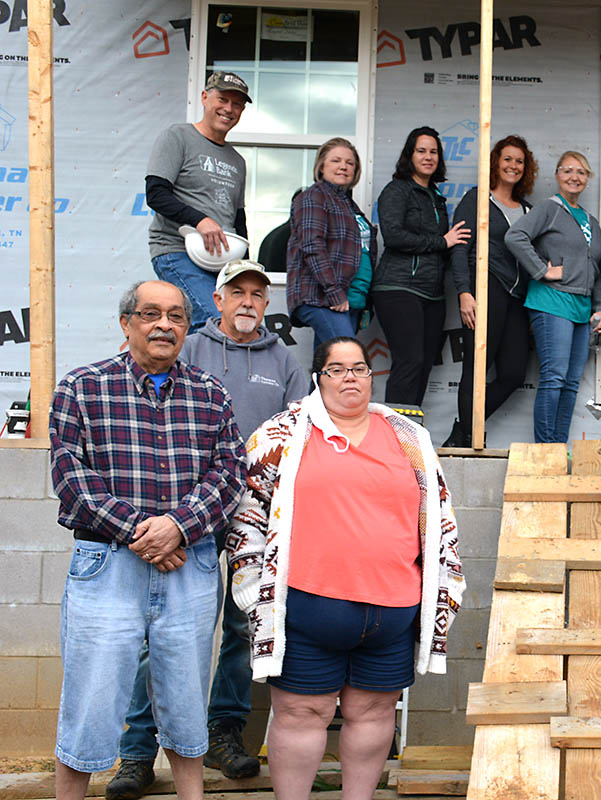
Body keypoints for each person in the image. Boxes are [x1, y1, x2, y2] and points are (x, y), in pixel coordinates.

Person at [227, 337, 465, 800]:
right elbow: (247, 515)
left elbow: (439, 514)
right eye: (337, 369)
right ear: (318, 378)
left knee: (375, 715)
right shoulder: (281, 434)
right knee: (301, 714)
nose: (350, 377)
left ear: (371, 377)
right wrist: (252, 594)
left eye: (359, 368)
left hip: (393, 613)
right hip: (309, 611)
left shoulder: (408, 436)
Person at [106, 262, 307, 800]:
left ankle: (223, 731)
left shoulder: (284, 360)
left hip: (253, 510)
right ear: (216, 301)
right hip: (185, 510)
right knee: (157, 629)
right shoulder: (188, 345)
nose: (247, 301)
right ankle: (138, 750)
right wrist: (174, 516)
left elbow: (295, 435)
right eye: (236, 292)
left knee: (243, 624)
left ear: (267, 304)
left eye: (257, 294)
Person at [49, 281, 246, 800]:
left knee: (185, 703)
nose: (165, 325)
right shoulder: (82, 387)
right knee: (90, 702)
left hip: (190, 566)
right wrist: (144, 532)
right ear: (126, 323)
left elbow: (229, 473)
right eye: (151, 313)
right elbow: (71, 476)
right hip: (108, 565)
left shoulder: (210, 393)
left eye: (177, 316)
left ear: (187, 327)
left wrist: (178, 526)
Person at [505, 151, 601, 443]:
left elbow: (596, 269)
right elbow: (515, 237)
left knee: (571, 383)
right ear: (557, 176)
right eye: (568, 171)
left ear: (587, 179)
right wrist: (541, 270)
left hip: (582, 308)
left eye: (581, 172)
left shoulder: (590, 220)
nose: (574, 177)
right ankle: (544, 450)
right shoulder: (548, 208)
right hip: (552, 302)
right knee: (554, 378)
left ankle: (558, 447)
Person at [442, 135, 538, 448]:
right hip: (486, 289)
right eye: (508, 159)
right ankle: (467, 437)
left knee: (513, 373)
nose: (513, 165)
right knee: (475, 367)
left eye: (519, 161)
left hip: (518, 298)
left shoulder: (528, 209)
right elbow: (459, 248)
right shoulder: (478, 198)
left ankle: (462, 429)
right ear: (496, 162)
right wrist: (464, 292)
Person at [146, 71, 251, 332]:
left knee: (238, 326)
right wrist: (200, 220)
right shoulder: (177, 137)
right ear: (205, 98)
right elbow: (156, 194)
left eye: (237, 104)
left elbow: (238, 219)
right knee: (212, 322)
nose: (229, 109)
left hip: (223, 261)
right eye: (223, 99)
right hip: (177, 250)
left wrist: (246, 268)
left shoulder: (237, 161)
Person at [374, 127, 471, 406]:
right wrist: (443, 241)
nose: (428, 157)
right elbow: (393, 236)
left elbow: (445, 247)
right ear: (410, 155)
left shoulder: (436, 197)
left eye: (433, 152)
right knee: (410, 361)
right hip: (398, 287)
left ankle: (409, 435)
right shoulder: (397, 189)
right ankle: (393, 436)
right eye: (421, 151)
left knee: (424, 364)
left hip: (433, 293)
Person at [287, 138, 376, 345]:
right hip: (323, 298)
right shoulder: (312, 197)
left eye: (350, 163)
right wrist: (334, 292)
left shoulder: (348, 204)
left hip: (350, 299)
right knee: (346, 358)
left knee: (329, 367)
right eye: (336, 161)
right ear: (321, 166)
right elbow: (312, 246)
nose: (343, 166)